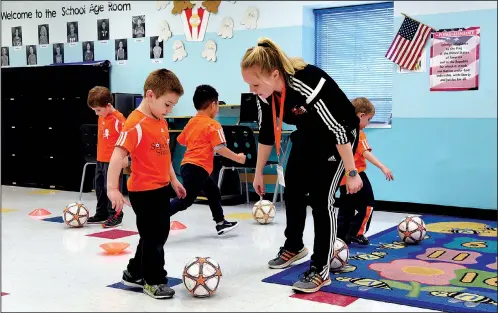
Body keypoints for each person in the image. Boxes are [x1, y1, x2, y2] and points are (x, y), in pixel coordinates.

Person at [240, 37, 362, 294]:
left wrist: (352, 172)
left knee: (321, 200)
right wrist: (259, 172)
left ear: (274, 74)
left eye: (255, 84)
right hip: (309, 133)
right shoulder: (265, 94)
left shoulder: (306, 82)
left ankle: (320, 269)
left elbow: (338, 129)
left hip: (338, 136)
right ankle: (294, 246)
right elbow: (265, 131)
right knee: (293, 189)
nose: (252, 90)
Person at [107, 69, 187, 299]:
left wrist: (174, 180)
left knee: (154, 234)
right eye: (168, 104)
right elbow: (116, 156)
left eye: (172, 105)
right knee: (155, 236)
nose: (170, 110)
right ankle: (154, 280)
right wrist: (113, 188)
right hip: (143, 191)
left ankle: (133, 273)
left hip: (161, 188)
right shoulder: (135, 123)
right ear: (150, 95)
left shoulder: (160, 121)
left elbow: (164, 157)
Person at [169, 85, 244, 235]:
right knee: (186, 200)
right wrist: (237, 158)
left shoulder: (192, 122)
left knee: (213, 191)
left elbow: (181, 140)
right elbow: (219, 148)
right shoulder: (213, 125)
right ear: (213, 104)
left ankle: (221, 223)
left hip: (188, 166)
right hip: (198, 168)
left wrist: (198, 141)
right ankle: (156, 217)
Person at [337, 97, 394, 245]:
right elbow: (365, 153)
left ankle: (341, 237)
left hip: (342, 177)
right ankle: (357, 233)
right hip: (357, 175)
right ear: (361, 115)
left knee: (346, 207)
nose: (368, 123)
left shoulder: (341, 130)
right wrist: (382, 166)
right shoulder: (359, 133)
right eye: (369, 119)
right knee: (368, 203)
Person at [86, 86, 127, 228]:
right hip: (100, 159)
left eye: (98, 110)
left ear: (108, 105)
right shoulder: (102, 116)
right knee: (100, 188)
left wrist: (125, 157)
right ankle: (101, 213)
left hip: (113, 161)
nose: (97, 114)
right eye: (95, 111)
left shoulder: (119, 119)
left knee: (113, 188)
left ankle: (116, 215)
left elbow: (127, 138)